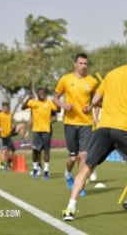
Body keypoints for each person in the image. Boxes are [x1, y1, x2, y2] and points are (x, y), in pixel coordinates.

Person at [62, 39, 127, 221]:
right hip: (124, 129)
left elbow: (95, 100)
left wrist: (105, 104)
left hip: (103, 129)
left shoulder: (111, 75)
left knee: (86, 168)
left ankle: (70, 208)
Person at [53, 53, 99, 194]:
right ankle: (67, 173)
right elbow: (55, 98)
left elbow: (97, 101)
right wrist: (63, 105)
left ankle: (80, 186)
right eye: (81, 63)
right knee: (73, 157)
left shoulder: (92, 81)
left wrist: (92, 109)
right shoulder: (65, 79)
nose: (83, 66)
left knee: (84, 155)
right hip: (70, 122)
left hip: (86, 122)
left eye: (85, 64)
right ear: (75, 64)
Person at [22, 87, 59, 179]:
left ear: (46, 94)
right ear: (37, 94)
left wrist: (56, 101)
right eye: (39, 93)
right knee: (35, 151)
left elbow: (57, 110)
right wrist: (28, 98)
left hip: (47, 131)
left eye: (43, 93)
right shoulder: (33, 102)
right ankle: (35, 169)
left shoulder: (49, 103)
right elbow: (23, 107)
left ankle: (46, 171)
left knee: (46, 151)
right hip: (36, 131)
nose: (41, 94)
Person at [0, 102, 14, 170]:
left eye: (7, 108)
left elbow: (11, 123)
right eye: (4, 108)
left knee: (11, 151)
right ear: (2, 108)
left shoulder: (10, 115)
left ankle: (8, 163)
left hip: (9, 136)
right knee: (4, 151)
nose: (5, 109)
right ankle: (4, 165)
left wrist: (12, 127)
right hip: (2, 136)